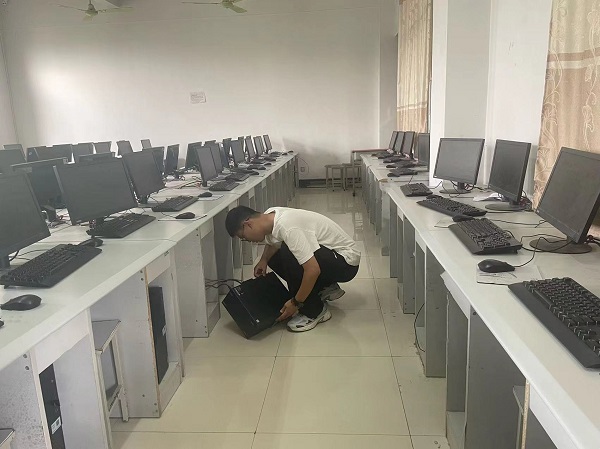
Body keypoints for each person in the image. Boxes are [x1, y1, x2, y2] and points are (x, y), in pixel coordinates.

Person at [225, 205, 361, 332]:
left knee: (289, 251)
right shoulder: (270, 215)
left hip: (346, 263)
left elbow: (313, 270)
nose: (247, 241)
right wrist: (264, 260)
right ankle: (324, 287)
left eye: (243, 237)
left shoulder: (288, 227)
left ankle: (314, 311)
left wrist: (295, 302)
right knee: (275, 256)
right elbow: (274, 241)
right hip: (330, 255)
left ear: (248, 224)